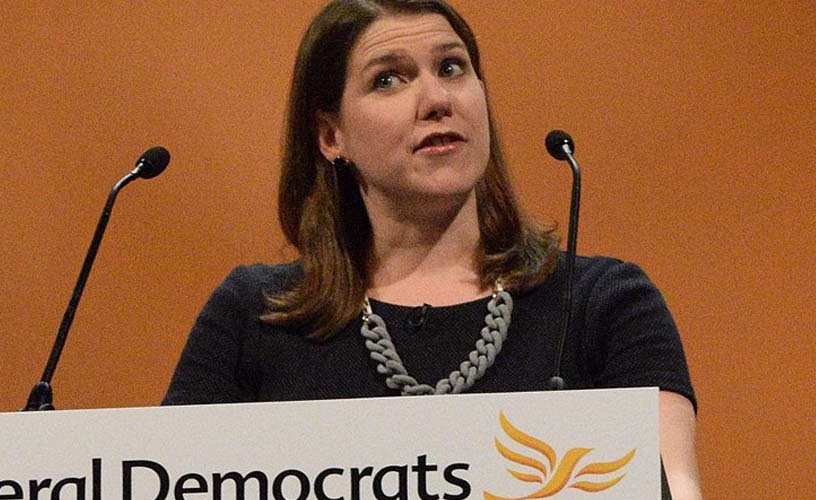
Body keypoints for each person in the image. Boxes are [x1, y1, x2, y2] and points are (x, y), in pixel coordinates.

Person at [163, 0, 702, 497]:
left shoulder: (603, 304)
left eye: (451, 68)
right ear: (331, 136)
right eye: (388, 79)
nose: (438, 100)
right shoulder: (254, 317)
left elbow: (673, 484)